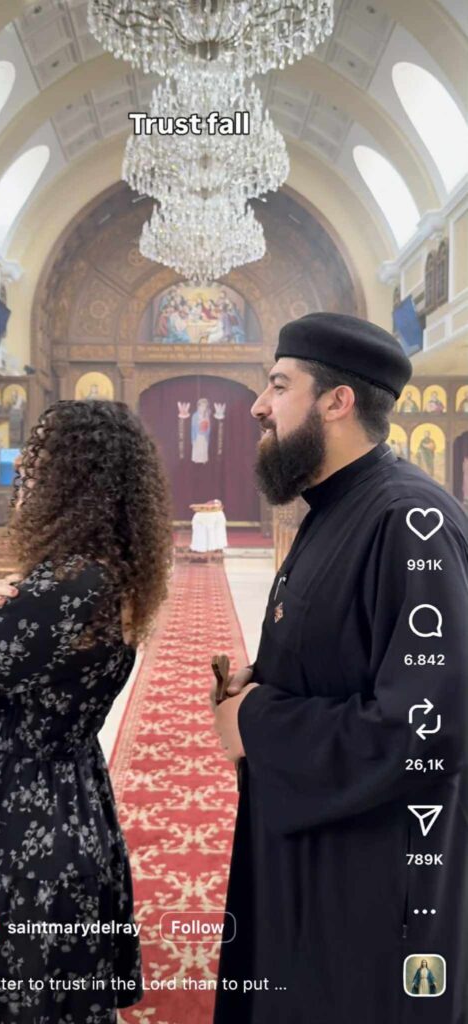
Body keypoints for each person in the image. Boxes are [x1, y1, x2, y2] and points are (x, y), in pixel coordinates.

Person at [211, 312, 468, 1024]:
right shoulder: (336, 507)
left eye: (277, 385)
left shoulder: (409, 520)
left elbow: (425, 729)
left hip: (370, 879)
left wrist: (253, 721)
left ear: (337, 401)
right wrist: (266, 678)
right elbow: (346, 649)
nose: (259, 406)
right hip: (316, 851)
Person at [0, 399, 172, 1023]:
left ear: (74, 483)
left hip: (18, 811)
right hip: (62, 788)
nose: (23, 478)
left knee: (0, 981)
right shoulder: (103, 575)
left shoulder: (67, 589)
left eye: (38, 466)